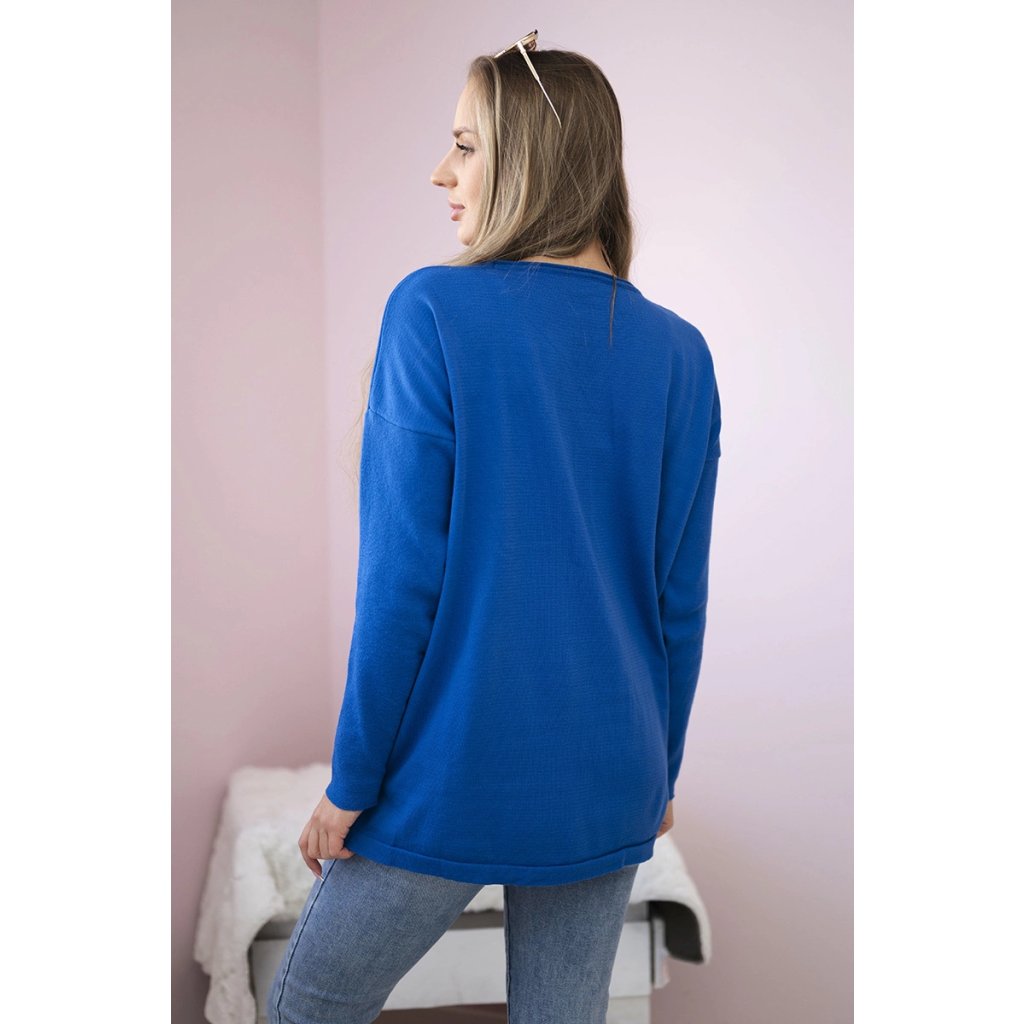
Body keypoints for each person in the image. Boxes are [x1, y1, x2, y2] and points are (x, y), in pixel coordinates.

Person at [268, 29, 722, 1024]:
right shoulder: (681, 354)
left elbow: (401, 583)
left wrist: (352, 780)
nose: (442, 172)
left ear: (532, 160)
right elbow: (677, 603)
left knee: (305, 1009)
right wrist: (661, 773)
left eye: (467, 146)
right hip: (611, 773)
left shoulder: (432, 308)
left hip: (454, 768)